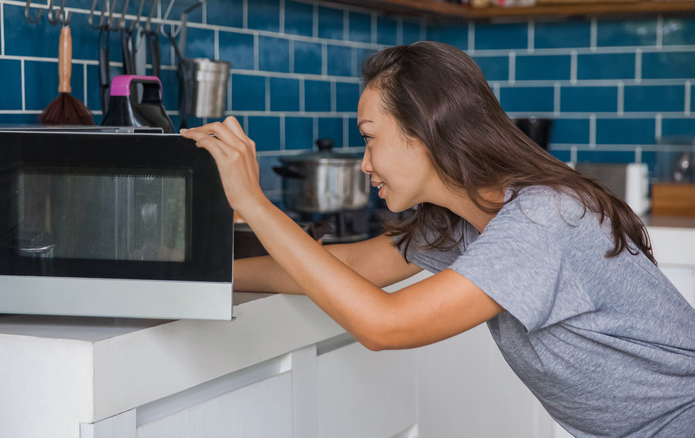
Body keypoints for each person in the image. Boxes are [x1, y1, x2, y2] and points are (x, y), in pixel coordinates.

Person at [180, 41, 695, 437]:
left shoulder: (541, 220)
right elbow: (353, 267)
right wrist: (202, 276)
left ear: (424, 133)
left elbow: (386, 326)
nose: (364, 163)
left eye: (368, 137)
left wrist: (255, 204)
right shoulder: (465, 216)